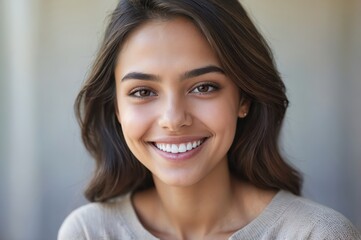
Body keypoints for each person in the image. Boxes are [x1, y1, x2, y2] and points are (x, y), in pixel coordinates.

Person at [58, 0, 361, 239]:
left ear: (244, 98)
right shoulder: (89, 233)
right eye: (142, 91)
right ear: (117, 109)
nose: (173, 119)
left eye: (204, 87)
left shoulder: (316, 234)